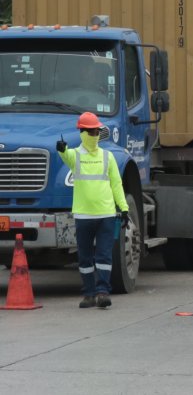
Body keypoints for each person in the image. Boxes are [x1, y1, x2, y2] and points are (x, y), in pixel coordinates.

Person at [56, 112, 128, 309]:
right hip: (84, 215)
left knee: (104, 256)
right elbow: (65, 154)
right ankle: (88, 294)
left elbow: (116, 184)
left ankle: (103, 292)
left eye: (96, 130)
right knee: (85, 257)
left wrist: (124, 207)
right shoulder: (75, 156)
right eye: (91, 131)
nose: (94, 134)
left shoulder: (108, 157)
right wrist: (61, 149)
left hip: (105, 214)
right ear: (82, 132)